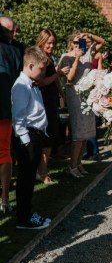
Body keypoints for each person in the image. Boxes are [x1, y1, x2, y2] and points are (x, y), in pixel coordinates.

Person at [12, 46, 51, 230]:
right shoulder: (21, 86)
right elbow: (18, 117)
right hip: (28, 138)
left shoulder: (32, 83)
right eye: (41, 69)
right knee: (26, 180)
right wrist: (26, 141)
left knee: (29, 179)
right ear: (30, 65)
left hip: (36, 135)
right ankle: (24, 219)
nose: (43, 73)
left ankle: (26, 213)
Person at [58, 31, 105, 178]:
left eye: (81, 42)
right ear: (71, 43)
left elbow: (102, 41)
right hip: (75, 95)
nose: (79, 45)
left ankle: (78, 163)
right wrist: (77, 58)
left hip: (88, 95)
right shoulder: (66, 57)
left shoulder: (89, 53)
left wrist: (89, 35)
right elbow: (70, 78)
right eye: (76, 42)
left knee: (86, 132)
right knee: (78, 132)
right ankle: (72, 166)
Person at [35, 29, 69, 184]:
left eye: (53, 43)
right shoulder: (39, 57)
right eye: (48, 43)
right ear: (41, 41)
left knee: (50, 137)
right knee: (46, 138)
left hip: (51, 99)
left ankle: (43, 170)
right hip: (43, 100)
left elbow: (53, 79)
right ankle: (42, 172)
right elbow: (41, 81)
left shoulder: (48, 57)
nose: (51, 46)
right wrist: (59, 73)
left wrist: (61, 93)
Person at [0, 21, 22, 215]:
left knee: (5, 153)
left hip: (5, 107)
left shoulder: (13, 50)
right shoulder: (14, 51)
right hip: (6, 106)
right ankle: (5, 199)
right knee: (4, 153)